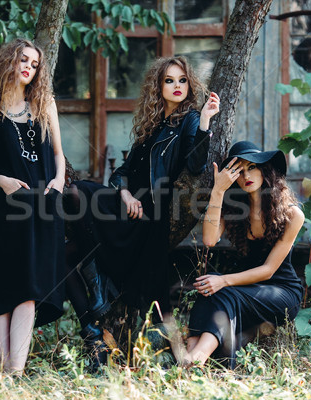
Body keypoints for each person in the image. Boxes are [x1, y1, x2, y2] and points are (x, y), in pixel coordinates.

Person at [66, 56, 220, 326]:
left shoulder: (190, 120)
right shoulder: (152, 124)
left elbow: (195, 167)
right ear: (157, 86)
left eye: (182, 80)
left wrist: (205, 121)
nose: (177, 86)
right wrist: (124, 194)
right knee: (74, 195)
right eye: (169, 80)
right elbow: (121, 173)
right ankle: (98, 290)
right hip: (127, 203)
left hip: (149, 212)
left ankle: (100, 295)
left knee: (76, 213)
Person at [0, 38, 67, 374]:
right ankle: (4, 372)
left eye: (35, 64)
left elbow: (58, 154)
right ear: (9, 62)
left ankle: (15, 371)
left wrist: (58, 181)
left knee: (30, 290)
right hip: (8, 211)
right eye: (23, 60)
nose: (29, 67)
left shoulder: (44, 106)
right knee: (4, 291)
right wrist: (3, 181)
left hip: (42, 209)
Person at [181, 141, 304, 368]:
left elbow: (268, 271)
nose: (246, 175)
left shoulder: (292, 214)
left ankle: (196, 358)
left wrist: (224, 281)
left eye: (253, 167)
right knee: (209, 288)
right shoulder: (234, 209)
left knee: (223, 289)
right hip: (247, 287)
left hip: (282, 292)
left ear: (265, 170)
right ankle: (191, 356)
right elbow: (209, 240)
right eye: (240, 171)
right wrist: (218, 191)